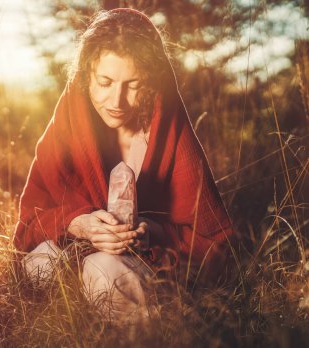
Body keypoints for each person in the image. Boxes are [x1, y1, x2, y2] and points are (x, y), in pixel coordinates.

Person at [14, 8, 234, 322]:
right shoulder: (68, 125)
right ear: (86, 76)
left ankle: (161, 329)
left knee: (103, 269)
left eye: (134, 85)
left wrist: (151, 231)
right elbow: (29, 224)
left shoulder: (169, 134)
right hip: (75, 249)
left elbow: (213, 239)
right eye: (104, 82)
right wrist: (78, 223)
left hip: (144, 263)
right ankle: (74, 325)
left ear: (153, 82)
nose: (116, 101)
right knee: (41, 263)